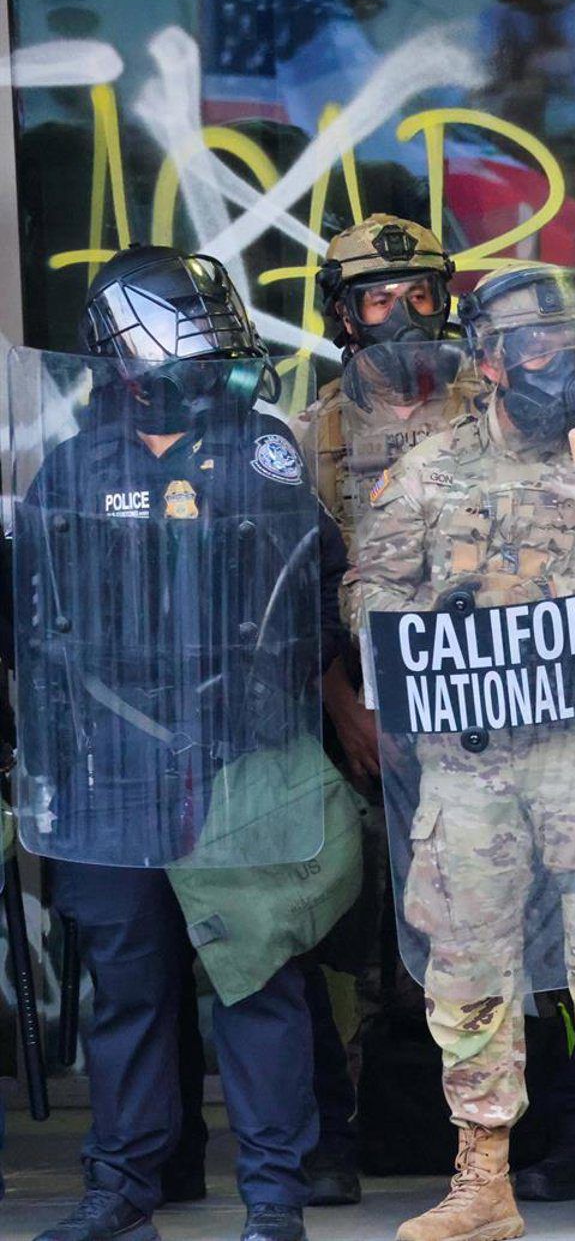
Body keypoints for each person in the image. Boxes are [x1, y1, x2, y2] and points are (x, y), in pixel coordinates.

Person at [350, 262, 575, 1241]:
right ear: (493, 361)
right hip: (470, 761)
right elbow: (374, 591)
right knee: (468, 970)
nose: (563, 362)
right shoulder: (428, 469)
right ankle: (483, 1180)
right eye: (540, 345)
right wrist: (431, 631)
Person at [16, 245, 352, 1241]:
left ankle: (273, 1196)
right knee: (127, 988)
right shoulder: (75, 466)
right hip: (113, 773)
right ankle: (121, 1189)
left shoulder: (260, 452)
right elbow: (34, 618)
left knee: (256, 977)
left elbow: (318, 592)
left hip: (238, 759)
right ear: (119, 356)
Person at [293, 212, 479, 1206]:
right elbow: (296, 592)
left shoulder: (493, 406)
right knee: (362, 929)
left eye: (421, 295)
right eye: (378, 299)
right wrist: (346, 708)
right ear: (343, 315)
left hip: (482, 708)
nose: (404, 315)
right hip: (365, 716)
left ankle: (502, 1129)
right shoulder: (312, 434)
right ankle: (365, 1123)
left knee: (485, 924)